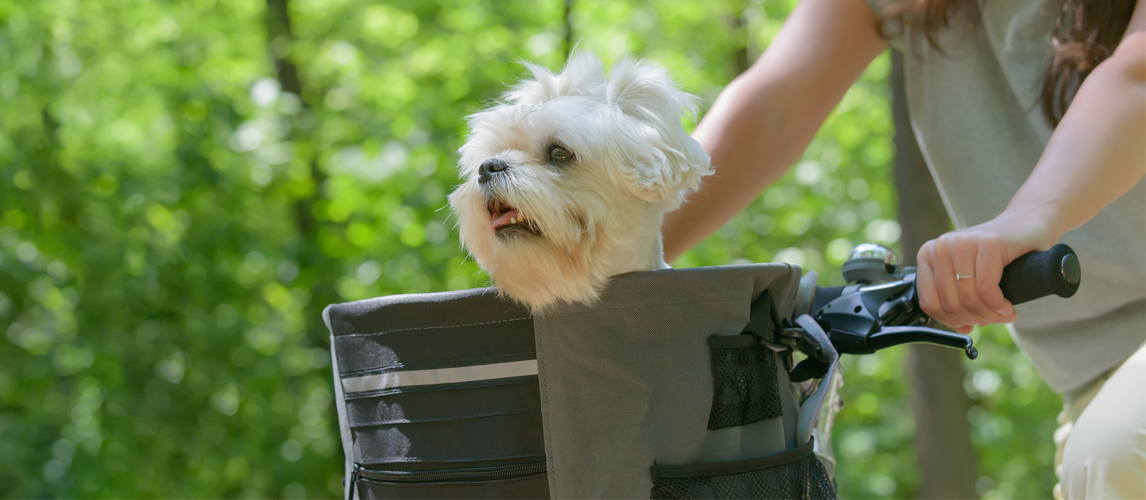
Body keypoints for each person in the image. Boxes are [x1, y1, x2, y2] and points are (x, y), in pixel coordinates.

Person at [660, 0, 1145, 498]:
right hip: (1091, 390)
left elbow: (1139, 72)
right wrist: (612, 256)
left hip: (1117, 433)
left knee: (1114, 449)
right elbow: (773, 108)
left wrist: (1026, 218)